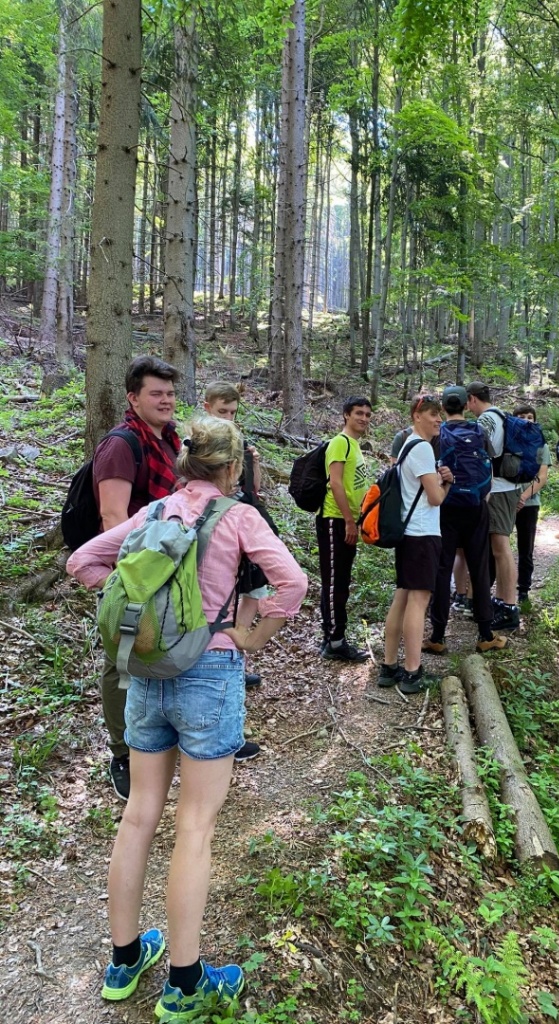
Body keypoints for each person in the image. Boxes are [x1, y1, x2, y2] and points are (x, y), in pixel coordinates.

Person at [67, 415, 308, 1021]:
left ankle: (124, 961)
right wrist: (252, 637)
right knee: (194, 825)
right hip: (210, 673)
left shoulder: (153, 513)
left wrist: (145, 619)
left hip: (145, 675)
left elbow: (83, 563)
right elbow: (293, 583)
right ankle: (185, 983)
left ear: (183, 464)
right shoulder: (238, 516)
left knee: (138, 814)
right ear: (233, 468)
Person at [91, 355, 180, 800]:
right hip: (132, 575)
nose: (166, 401)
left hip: (169, 571)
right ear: (133, 398)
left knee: (161, 650)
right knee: (122, 660)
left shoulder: (171, 441)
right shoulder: (122, 445)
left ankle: (162, 738)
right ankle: (122, 753)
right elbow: (112, 518)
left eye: (170, 393)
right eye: (155, 393)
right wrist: (133, 582)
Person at [423, 386, 509, 656]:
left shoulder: (437, 434)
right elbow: (489, 467)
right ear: (465, 405)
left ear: (443, 407)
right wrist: (481, 497)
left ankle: (437, 636)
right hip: (475, 507)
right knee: (479, 568)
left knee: (442, 569)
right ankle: (485, 634)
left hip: (445, 507)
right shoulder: (478, 431)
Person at [203, 381, 275, 690]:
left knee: (255, 589)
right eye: (223, 411)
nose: (228, 418)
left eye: (232, 412)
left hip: (246, 519)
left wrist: (253, 462)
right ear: (207, 408)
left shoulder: (238, 440)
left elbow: (253, 488)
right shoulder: (199, 445)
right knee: (221, 593)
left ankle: (236, 652)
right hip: (218, 526)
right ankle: (217, 656)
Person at [379, 395, 454, 693]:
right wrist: (447, 483)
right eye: (433, 414)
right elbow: (435, 498)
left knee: (402, 597)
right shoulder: (421, 447)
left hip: (408, 535)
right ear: (417, 415)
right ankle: (412, 672)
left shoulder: (407, 445)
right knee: (418, 602)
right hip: (422, 534)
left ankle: (389, 667)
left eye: (440, 415)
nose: (439, 420)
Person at [317, 396, 372, 661]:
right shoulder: (340, 443)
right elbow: (336, 483)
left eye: (367, 414)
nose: (363, 418)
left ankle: (331, 636)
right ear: (346, 415)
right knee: (334, 582)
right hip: (335, 519)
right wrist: (349, 520)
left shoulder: (354, 445)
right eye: (358, 413)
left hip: (348, 520)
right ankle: (335, 641)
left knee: (340, 580)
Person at [465, 382, 520, 632]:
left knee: (501, 548)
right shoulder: (500, 415)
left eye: (468, 402)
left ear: (473, 399)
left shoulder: (487, 418)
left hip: (498, 488)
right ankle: (500, 602)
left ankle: (508, 607)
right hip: (503, 487)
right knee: (497, 548)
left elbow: (484, 450)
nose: (468, 407)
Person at [510, 405, 550, 610]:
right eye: (521, 417)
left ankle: (523, 590)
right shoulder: (507, 442)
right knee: (496, 546)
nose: (526, 420)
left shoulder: (541, 444)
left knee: (526, 548)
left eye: (529, 417)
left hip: (530, 503)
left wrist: (523, 497)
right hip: (505, 501)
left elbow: (542, 477)